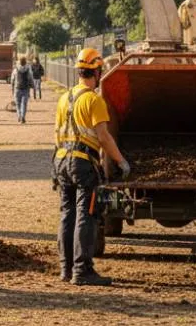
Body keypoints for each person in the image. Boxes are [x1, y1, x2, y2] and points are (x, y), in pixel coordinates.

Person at [54, 48, 130, 287]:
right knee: (86, 215)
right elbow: (104, 138)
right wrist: (121, 161)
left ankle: (66, 269)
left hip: (61, 160)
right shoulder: (94, 100)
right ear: (97, 72)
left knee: (67, 214)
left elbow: (56, 134)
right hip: (83, 163)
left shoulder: (64, 98)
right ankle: (82, 271)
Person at [12, 56, 33, 124]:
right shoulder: (28, 69)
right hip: (26, 88)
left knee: (18, 104)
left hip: (17, 88)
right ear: (25, 62)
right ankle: (23, 117)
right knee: (24, 104)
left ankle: (19, 116)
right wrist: (32, 85)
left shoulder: (16, 69)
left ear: (19, 62)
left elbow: (13, 79)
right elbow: (30, 78)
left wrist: (12, 87)